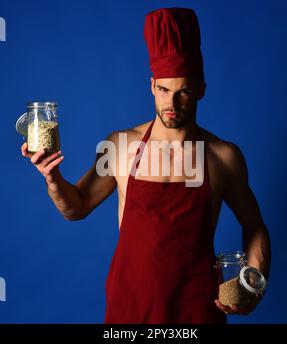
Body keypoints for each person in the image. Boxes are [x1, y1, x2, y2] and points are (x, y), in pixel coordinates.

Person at [20, 8, 271, 323]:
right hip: (130, 307)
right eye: (164, 90)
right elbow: (76, 207)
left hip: (197, 309)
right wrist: (53, 179)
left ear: (201, 91)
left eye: (183, 92)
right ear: (152, 85)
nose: (171, 104)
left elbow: (255, 225)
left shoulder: (223, 157)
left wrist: (254, 284)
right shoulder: (121, 145)